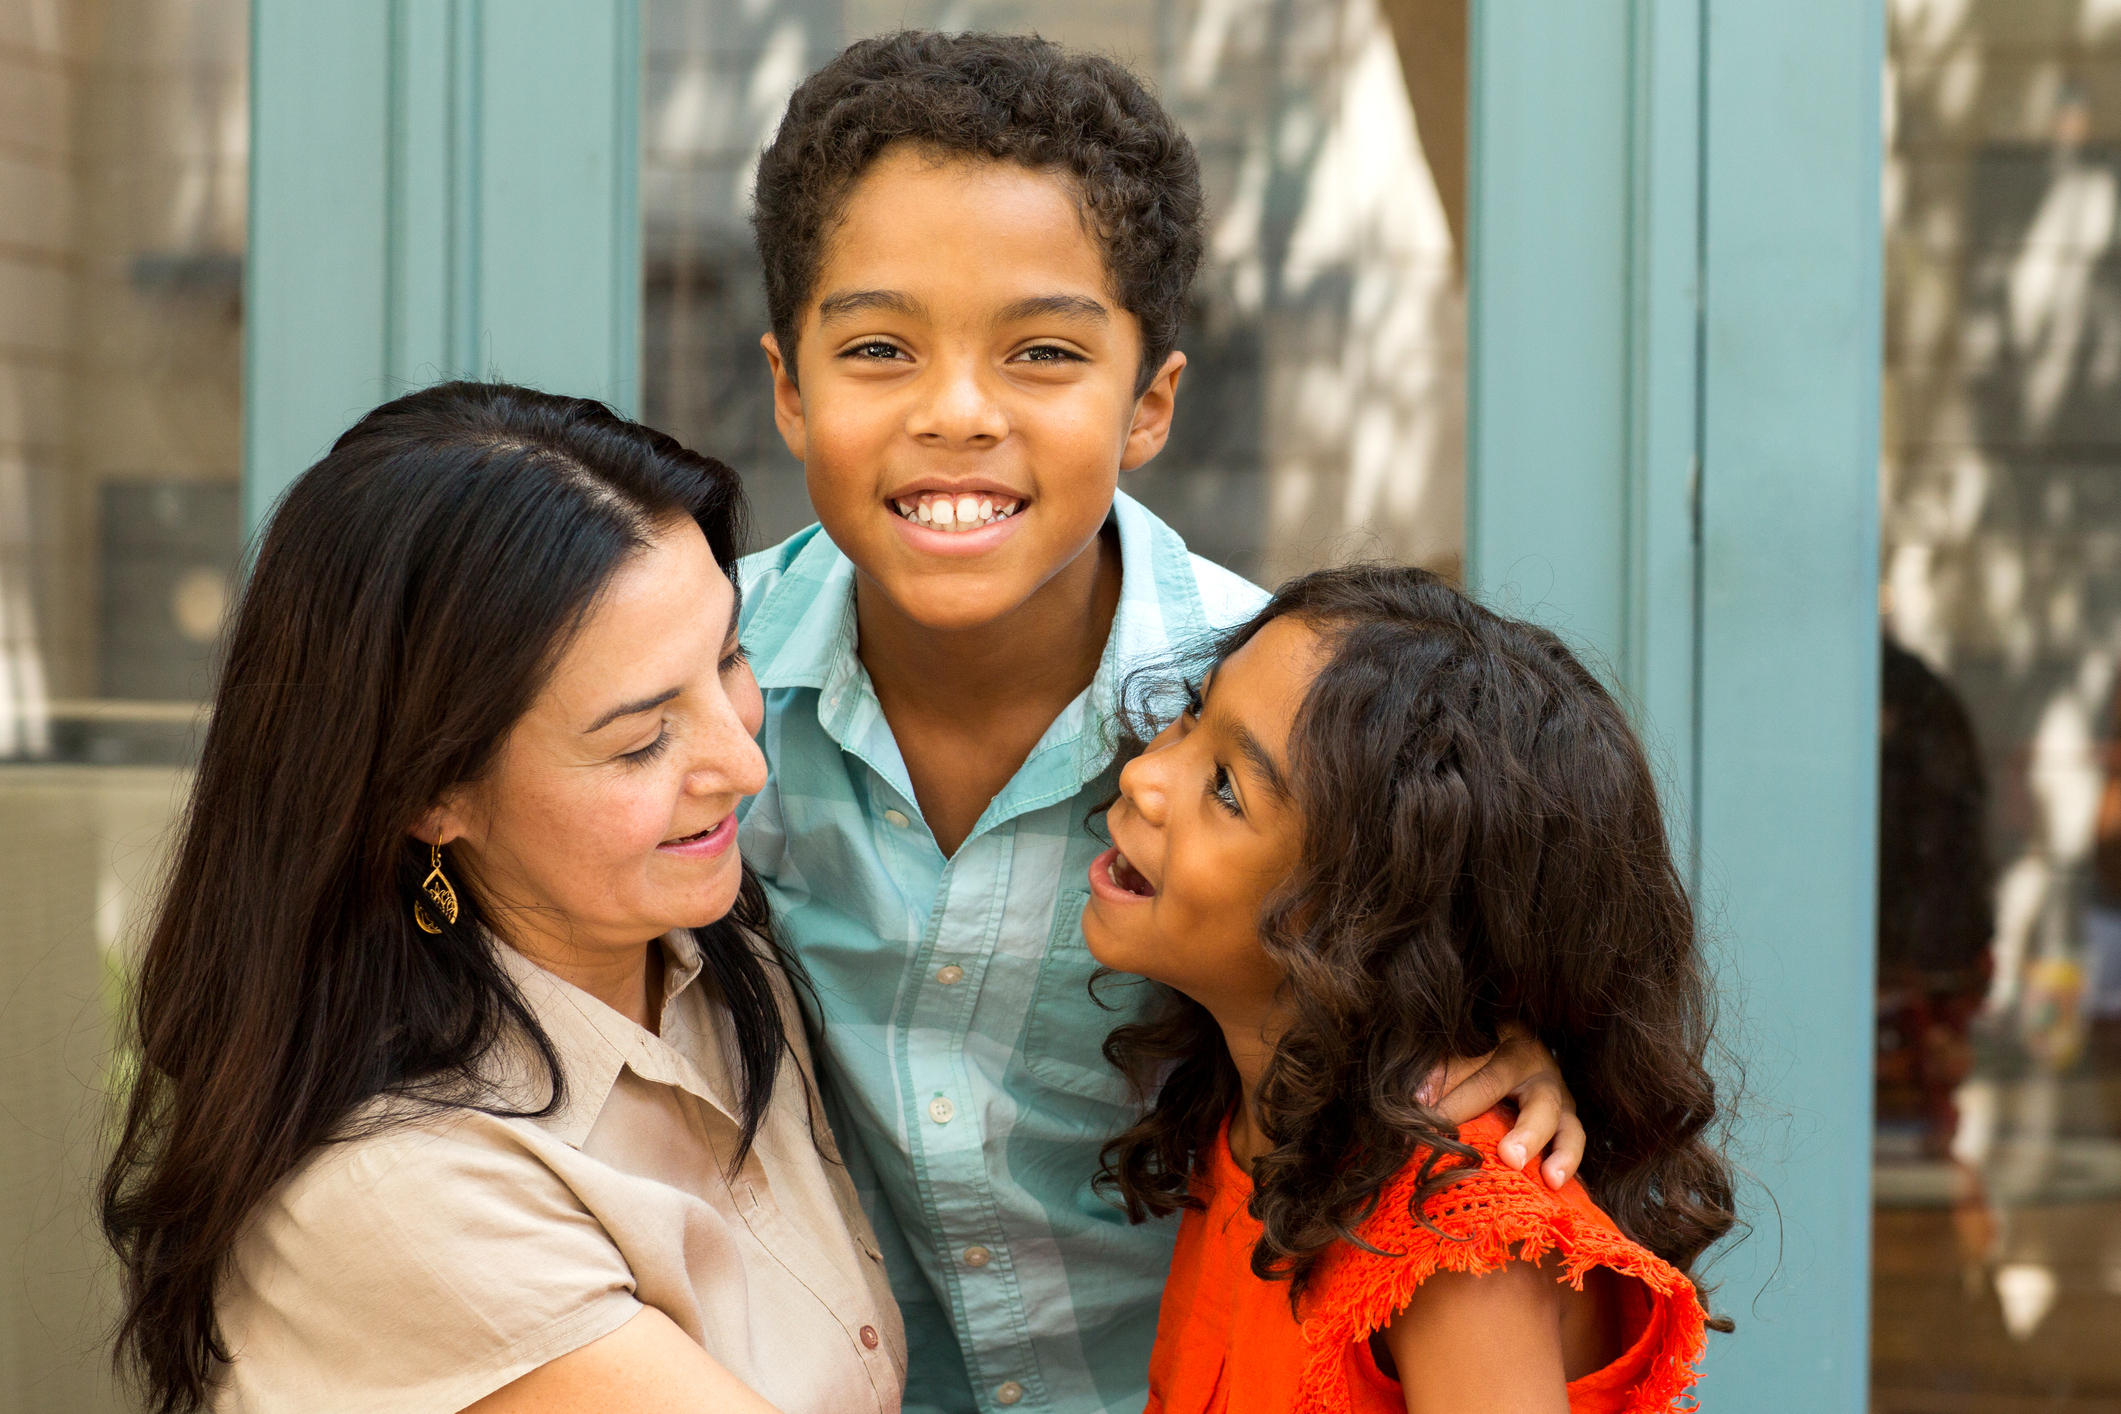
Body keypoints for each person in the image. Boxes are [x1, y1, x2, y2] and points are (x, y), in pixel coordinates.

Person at [736, 31, 1586, 1412]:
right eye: (880, 347)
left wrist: (1513, 1038)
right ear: (787, 387)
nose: (957, 413)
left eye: (1044, 353)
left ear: (1149, 405)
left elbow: (1438, 978)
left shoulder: (1284, 735)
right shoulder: (680, 696)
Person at [99, 383, 902, 1414]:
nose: (744, 762)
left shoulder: (697, 953)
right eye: (640, 738)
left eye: (730, 658)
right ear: (432, 791)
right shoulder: (398, 1195)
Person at [1085, 566, 1736, 1414]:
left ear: (1370, 921)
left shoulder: (1457, 1239)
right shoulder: (1257, 1111)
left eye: (1225, 790)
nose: (1143, 775)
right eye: (1192, 713)